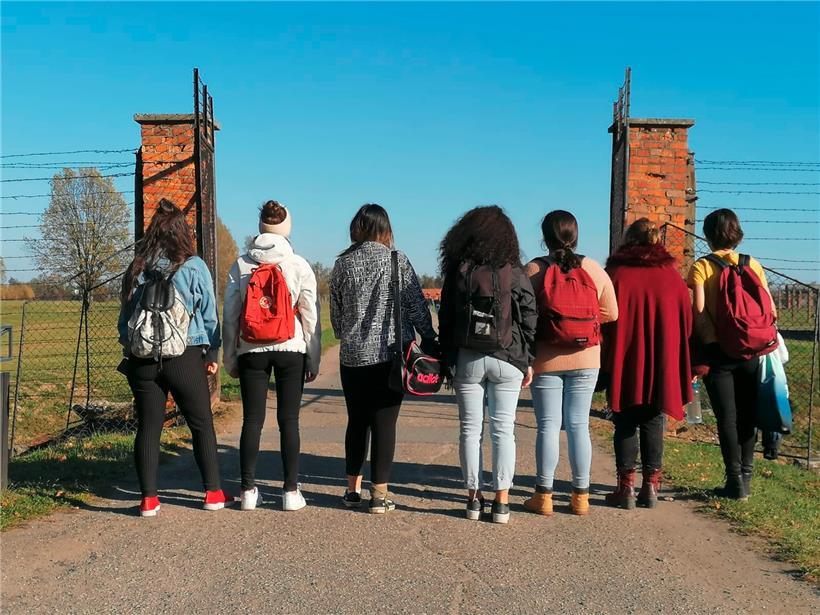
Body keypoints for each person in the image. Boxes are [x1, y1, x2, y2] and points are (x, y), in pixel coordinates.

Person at [118, 199, 233, 517]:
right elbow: (209, 316)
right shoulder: (193, 266)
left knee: (148, 428)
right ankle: (212, 493)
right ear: (184, 233)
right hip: (184, 355)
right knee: (200, 424)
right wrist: (212, 351)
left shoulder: (137, 267)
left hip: (143, 359)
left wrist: (130, 348)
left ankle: (148, 500)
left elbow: (125, 318)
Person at [330, 204, 436, 513]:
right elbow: (417, 305)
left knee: (357, 422)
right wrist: (428, 337)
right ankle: (379, 494)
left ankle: (352, 490)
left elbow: (337, 317)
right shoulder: (397, 260)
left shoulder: (342, 264)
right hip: (391, 355)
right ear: (385, 229)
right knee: (385, 424)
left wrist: (348, 333)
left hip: (352, 357)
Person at [438, 206, 537, 524]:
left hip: (469, 359)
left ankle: (473, 500)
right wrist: (528, 359)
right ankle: (502, 503)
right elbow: (530, 316)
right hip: (508, 358)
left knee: (470, 430)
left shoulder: (460, 271)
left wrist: (448, 357)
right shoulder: (514, 270)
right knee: (503, 431)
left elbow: (447, 317)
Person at [222, 201, 321, 512]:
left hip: (251, 349)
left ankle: (248, 491)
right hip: (291, 347)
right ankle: (291, 492)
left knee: (252, 420)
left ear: (261, 227)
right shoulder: (299, 265)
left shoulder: (241, 265)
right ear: (287, 227)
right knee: (288, 420)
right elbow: (310, 316)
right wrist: (313, 356)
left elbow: (230, 316)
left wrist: (230, 357)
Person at [523, 210, 618, 516]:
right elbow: (612, 313)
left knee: (548, 426)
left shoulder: (534, 269)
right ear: (576, 236)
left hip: (546, 358)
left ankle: (544, 496)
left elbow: (522, 313)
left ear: (545, 238)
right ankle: (581, 496)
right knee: (579, 425)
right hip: (587, 357)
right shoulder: (593, 268)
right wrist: (584, 325)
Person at [602, 218, 693, 509]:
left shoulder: (615, 273)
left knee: (625, 420)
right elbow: (686, 322)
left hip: (625, 357)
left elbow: (602, 316)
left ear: (628, 240)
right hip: (660, 358)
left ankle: (625, 488)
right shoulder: (671, 275)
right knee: (654, 419)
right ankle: (651, 488)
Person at [688, 208, 776, 500]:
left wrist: (705, 336)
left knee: (726, 417)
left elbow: (698, 309)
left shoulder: (702, 266)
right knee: (747, 415)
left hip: (717, 351)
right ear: (736, 233)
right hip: (750, 350)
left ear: (708, 235)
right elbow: (770, 310)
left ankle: (734, 481)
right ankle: (747, 479)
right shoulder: (753, 264)